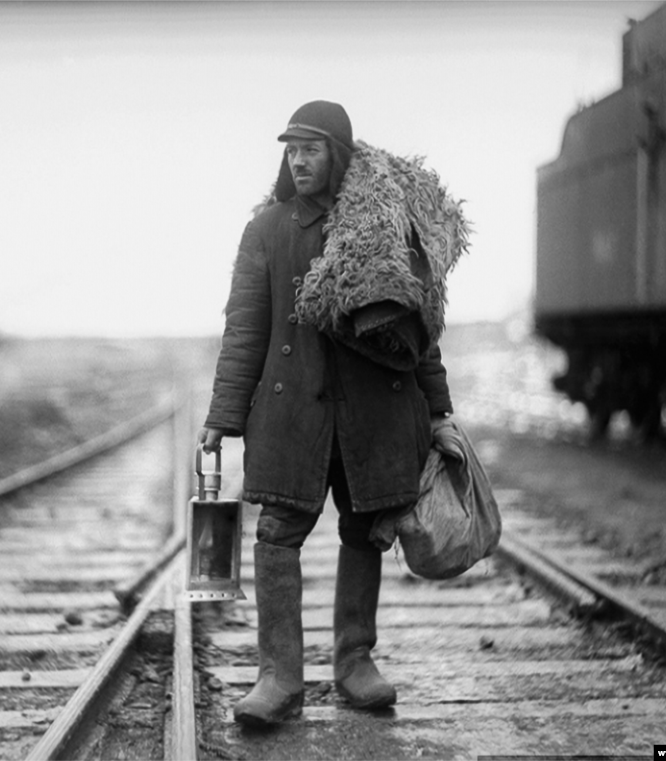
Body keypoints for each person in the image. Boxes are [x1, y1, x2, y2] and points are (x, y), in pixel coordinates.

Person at [198, 100, 469, 726]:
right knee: (275, 534)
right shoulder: (265, 230)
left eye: (311, 149)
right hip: (292, 412)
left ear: (338, 155)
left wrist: (441, 414)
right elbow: (244, 330)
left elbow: (420, 330)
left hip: (370, 413)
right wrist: (221, 416)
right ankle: (278, 678)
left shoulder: (383, 224)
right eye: (291, 149)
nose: (298, 159)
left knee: (363, 528)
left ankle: (355, 663)